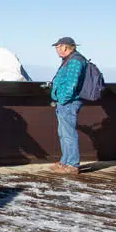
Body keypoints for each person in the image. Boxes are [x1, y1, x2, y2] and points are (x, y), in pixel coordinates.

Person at [48, 37, 86, 175]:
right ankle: (64, 162)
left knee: (69, 134)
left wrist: (63, 99)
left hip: (69, 103)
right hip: (64, 102)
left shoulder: (75, 61)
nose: (56, 50)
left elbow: (72, 83)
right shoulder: (69, 60)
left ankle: (72, 164)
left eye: (58, 47)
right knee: (63, 133)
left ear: (64, 47)